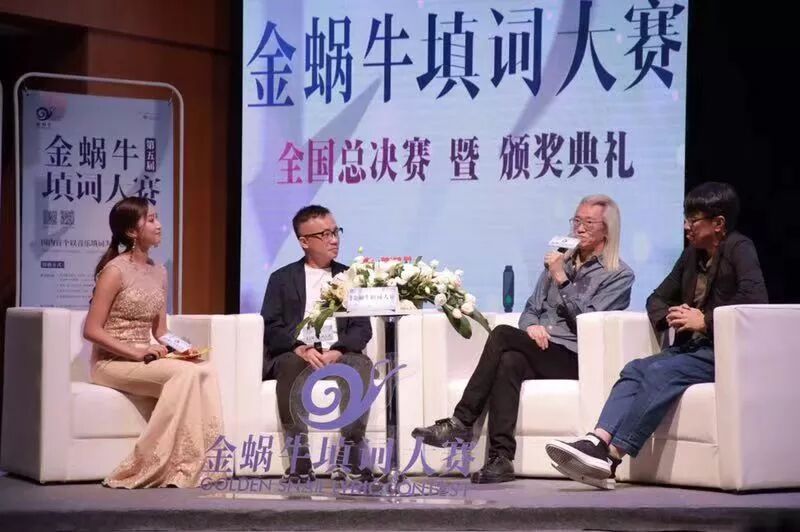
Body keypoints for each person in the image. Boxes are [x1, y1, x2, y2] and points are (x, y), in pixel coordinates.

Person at [546, 182, 768, 489]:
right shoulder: (691, 256)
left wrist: (704, 320)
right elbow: (657, 298)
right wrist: (672, 317)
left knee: (660, 371)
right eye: (686, 219)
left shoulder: (739, 248)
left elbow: (755, 300)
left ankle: (612, 456)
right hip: (692, 350)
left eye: (694, 220)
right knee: (634, 369)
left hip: (723, 352)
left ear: (718, 224)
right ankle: (596, 441)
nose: (686, 227)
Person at [413, 195, 635, 483]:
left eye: (589, 223)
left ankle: (462, 421)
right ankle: (501, 458)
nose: (579, 228)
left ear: (607, 229)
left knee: (502, 334)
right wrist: (532, 327)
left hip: (574, 355)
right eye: (577, 221)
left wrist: (562, 280)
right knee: (510, 360)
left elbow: (588, 320)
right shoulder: (560, 261)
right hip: (543, 349)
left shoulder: (618, 274)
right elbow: (531, 309)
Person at [84, 197, 224, 488]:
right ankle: (154, 462)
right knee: (183, 375)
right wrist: (135, 352)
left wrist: (183, 348)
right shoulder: (114, 271)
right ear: (131, 232)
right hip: (112, 362)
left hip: (146, 357)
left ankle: (205, 463)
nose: (159, 225)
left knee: (205, 369)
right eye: (150, 220)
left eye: (157, 218)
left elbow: (160, 331)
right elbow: (92, 330)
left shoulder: (159, 271)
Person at [261, 205, 374, 483]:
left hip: (339, 353)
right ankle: (299, 462)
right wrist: (299, 346)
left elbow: (362, 328)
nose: (334, 239)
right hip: (298, 354)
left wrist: (339, 350)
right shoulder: (281, 279)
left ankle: (350, 458)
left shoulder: (350, 277)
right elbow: (271, 326)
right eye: (325, 234)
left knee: (361, 364)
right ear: (304, 242)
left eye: (335, 232)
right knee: (290, 364)